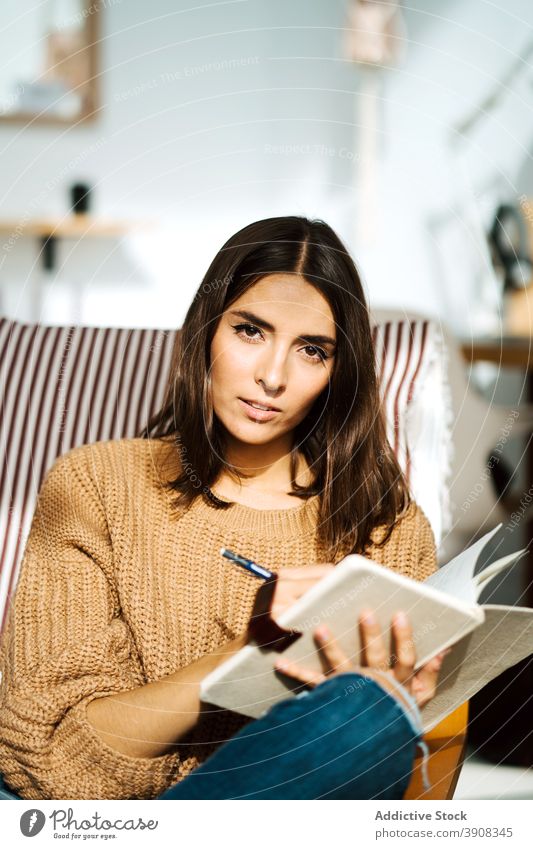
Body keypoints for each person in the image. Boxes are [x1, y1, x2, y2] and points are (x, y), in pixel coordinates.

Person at [0, 216, 440, 801]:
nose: (272, 376)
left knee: (369, 713)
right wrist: (247, 653)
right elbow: (46, 762)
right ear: (206, 331)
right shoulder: (96, 484)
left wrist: (406, 704)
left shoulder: (387, 528)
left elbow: (369, 755)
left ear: (338, 373)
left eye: (312, 350)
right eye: (251, 331)